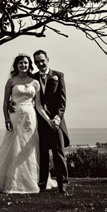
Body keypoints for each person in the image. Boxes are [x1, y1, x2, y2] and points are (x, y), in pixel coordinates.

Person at [0, 54, 55, 194]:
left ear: (30, 65)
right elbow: (5, 102)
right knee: (13, 147)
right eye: (21, 63)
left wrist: (49, 120)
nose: (24, 65)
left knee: (29, 147)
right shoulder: (11, 82)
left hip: (30, 118)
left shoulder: (35, 82)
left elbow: (39, 105)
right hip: (15, 116)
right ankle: (12, 181)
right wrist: (6, 119)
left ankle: (33, 180)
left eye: (26, 63)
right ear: (16, 65)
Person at [32, 49, 70, 193]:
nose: (40, 64)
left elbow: (62, 101)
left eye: (42, 60)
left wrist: (58, 117)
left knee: (58, 153)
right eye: (37, 62)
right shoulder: (33, 78)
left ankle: (63, 184)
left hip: (56, 122)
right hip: (39, 122)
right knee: (42, 154)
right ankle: (42, 183)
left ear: (48, 59)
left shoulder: (58, 76)